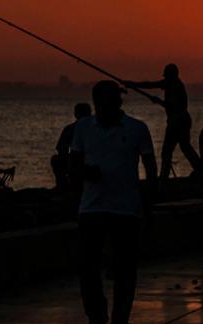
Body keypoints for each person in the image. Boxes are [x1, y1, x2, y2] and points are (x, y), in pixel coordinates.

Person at [71, 80, 158, 324]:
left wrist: (148, 207)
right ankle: (97, 313)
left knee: (126, 271)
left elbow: (151, 171)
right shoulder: (83, 128)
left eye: (118, 99)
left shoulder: (137, 129)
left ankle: (121, 317)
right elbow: (74, 165)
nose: (117, 103)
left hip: (127, 210)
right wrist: (87, 173)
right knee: (87, 267)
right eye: (111, 99)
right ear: (98, 102)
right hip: (91, 209)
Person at [125, 64, 201, 180]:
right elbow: (150, 85)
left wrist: (158, 101)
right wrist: (132, 84)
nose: (165, 78)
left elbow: (173, 106)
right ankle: (199, 168)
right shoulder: (170, 83)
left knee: (168, 151)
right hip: (181, 121)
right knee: (184, 147)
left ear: (172, 75)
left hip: (177, 122)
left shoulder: (176, 86)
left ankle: (165, 176)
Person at [52, 102, 92, 190]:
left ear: (75, 114)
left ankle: (62, 187)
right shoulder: (98, 128)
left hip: (83, 162)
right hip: (85, 161)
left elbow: (62, 151)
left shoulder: (70, 129)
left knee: (56, 160)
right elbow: (62, 150)